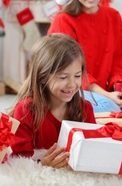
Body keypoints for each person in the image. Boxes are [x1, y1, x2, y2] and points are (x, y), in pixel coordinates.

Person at [48, 0, 122, 112]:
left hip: (103, 92)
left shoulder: (113, 16)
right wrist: (107, 96)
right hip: (71, 91)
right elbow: (69, 70)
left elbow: (118, 59)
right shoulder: (63, 20)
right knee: (110, 109)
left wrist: (118, 88)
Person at [7, 34, 96, 168]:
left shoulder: (85, 108)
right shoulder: (26, 110)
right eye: (63, 77)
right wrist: (42, 165)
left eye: (77, 76)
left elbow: (93, 151)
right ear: (42, 77)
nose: (72, 84)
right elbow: (19, 162)